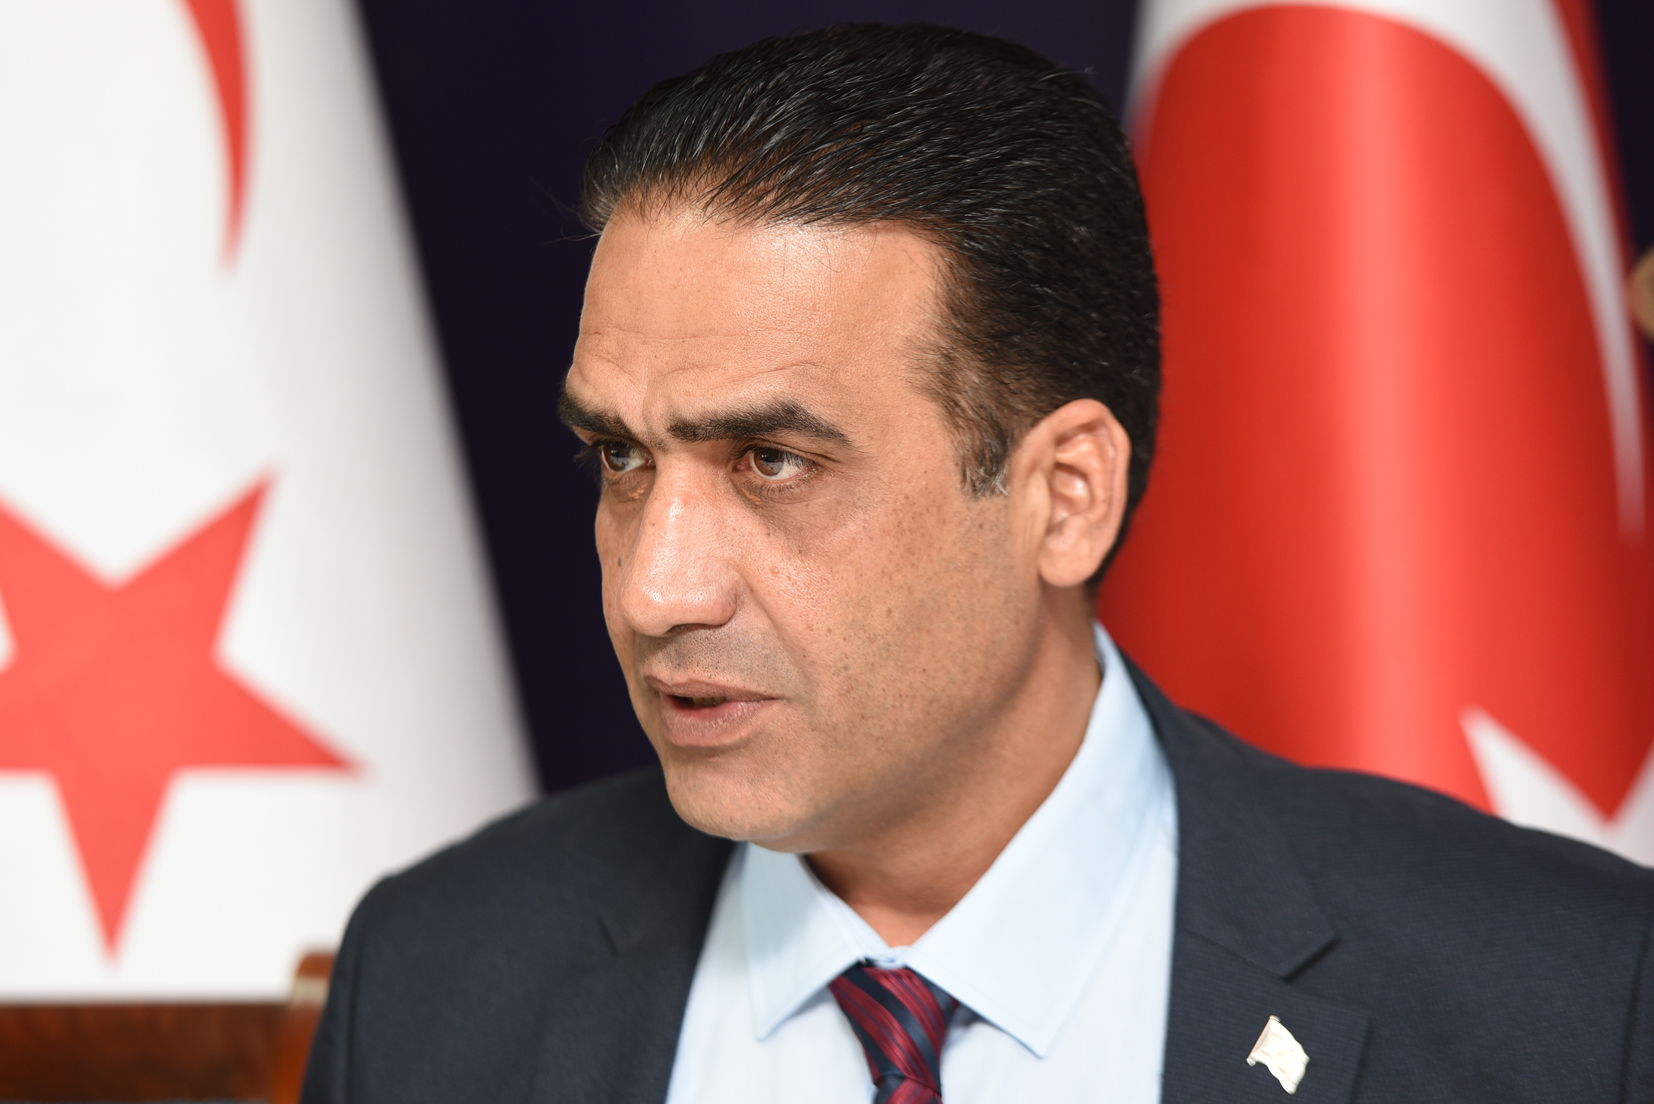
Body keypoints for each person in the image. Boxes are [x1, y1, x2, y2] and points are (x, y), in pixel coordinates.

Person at [301, 23, 1653, 1104]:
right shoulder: (436, 978)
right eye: (620, 456)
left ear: (1065, 497)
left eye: (773, 461)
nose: (656, 590)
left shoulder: (1566, 1000)